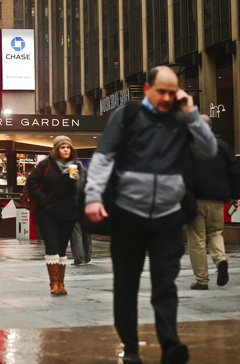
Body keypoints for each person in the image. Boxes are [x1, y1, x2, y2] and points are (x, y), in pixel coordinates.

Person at [84, 66, 217, 364]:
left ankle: (171, 345)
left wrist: (192, 114)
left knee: (165, 284)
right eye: (162, 91)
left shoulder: (182, 120)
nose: (167, 98)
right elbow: (104, 158)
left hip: (168, 217)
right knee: (126, 284)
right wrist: (93, 197)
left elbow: (209, 150)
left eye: (173, 92)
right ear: (147, 89)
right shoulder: (128, 116)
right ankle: (131, 349)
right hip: (128, 215)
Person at [185, 114, 240, 290]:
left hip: (194, 200)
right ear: (210, 128)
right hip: (217, 199)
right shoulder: (223, 147)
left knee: (197, 239)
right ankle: (221, 260)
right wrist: (235, 196)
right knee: (216, 233)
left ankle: (201, 280)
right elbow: (235, 172)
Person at [26, 136, 80, 296]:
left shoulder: (74, 166)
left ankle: (61, 284)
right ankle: (54, 283)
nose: (65, 150)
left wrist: (76, 181)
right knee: (52, 246)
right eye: (62, 147)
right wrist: (44, 201)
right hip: (47, 212)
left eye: (68, 147)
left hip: (68, 212)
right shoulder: (46, 164)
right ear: (57, 149)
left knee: (62, 248)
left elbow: (79, 190)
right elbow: (31, 183)